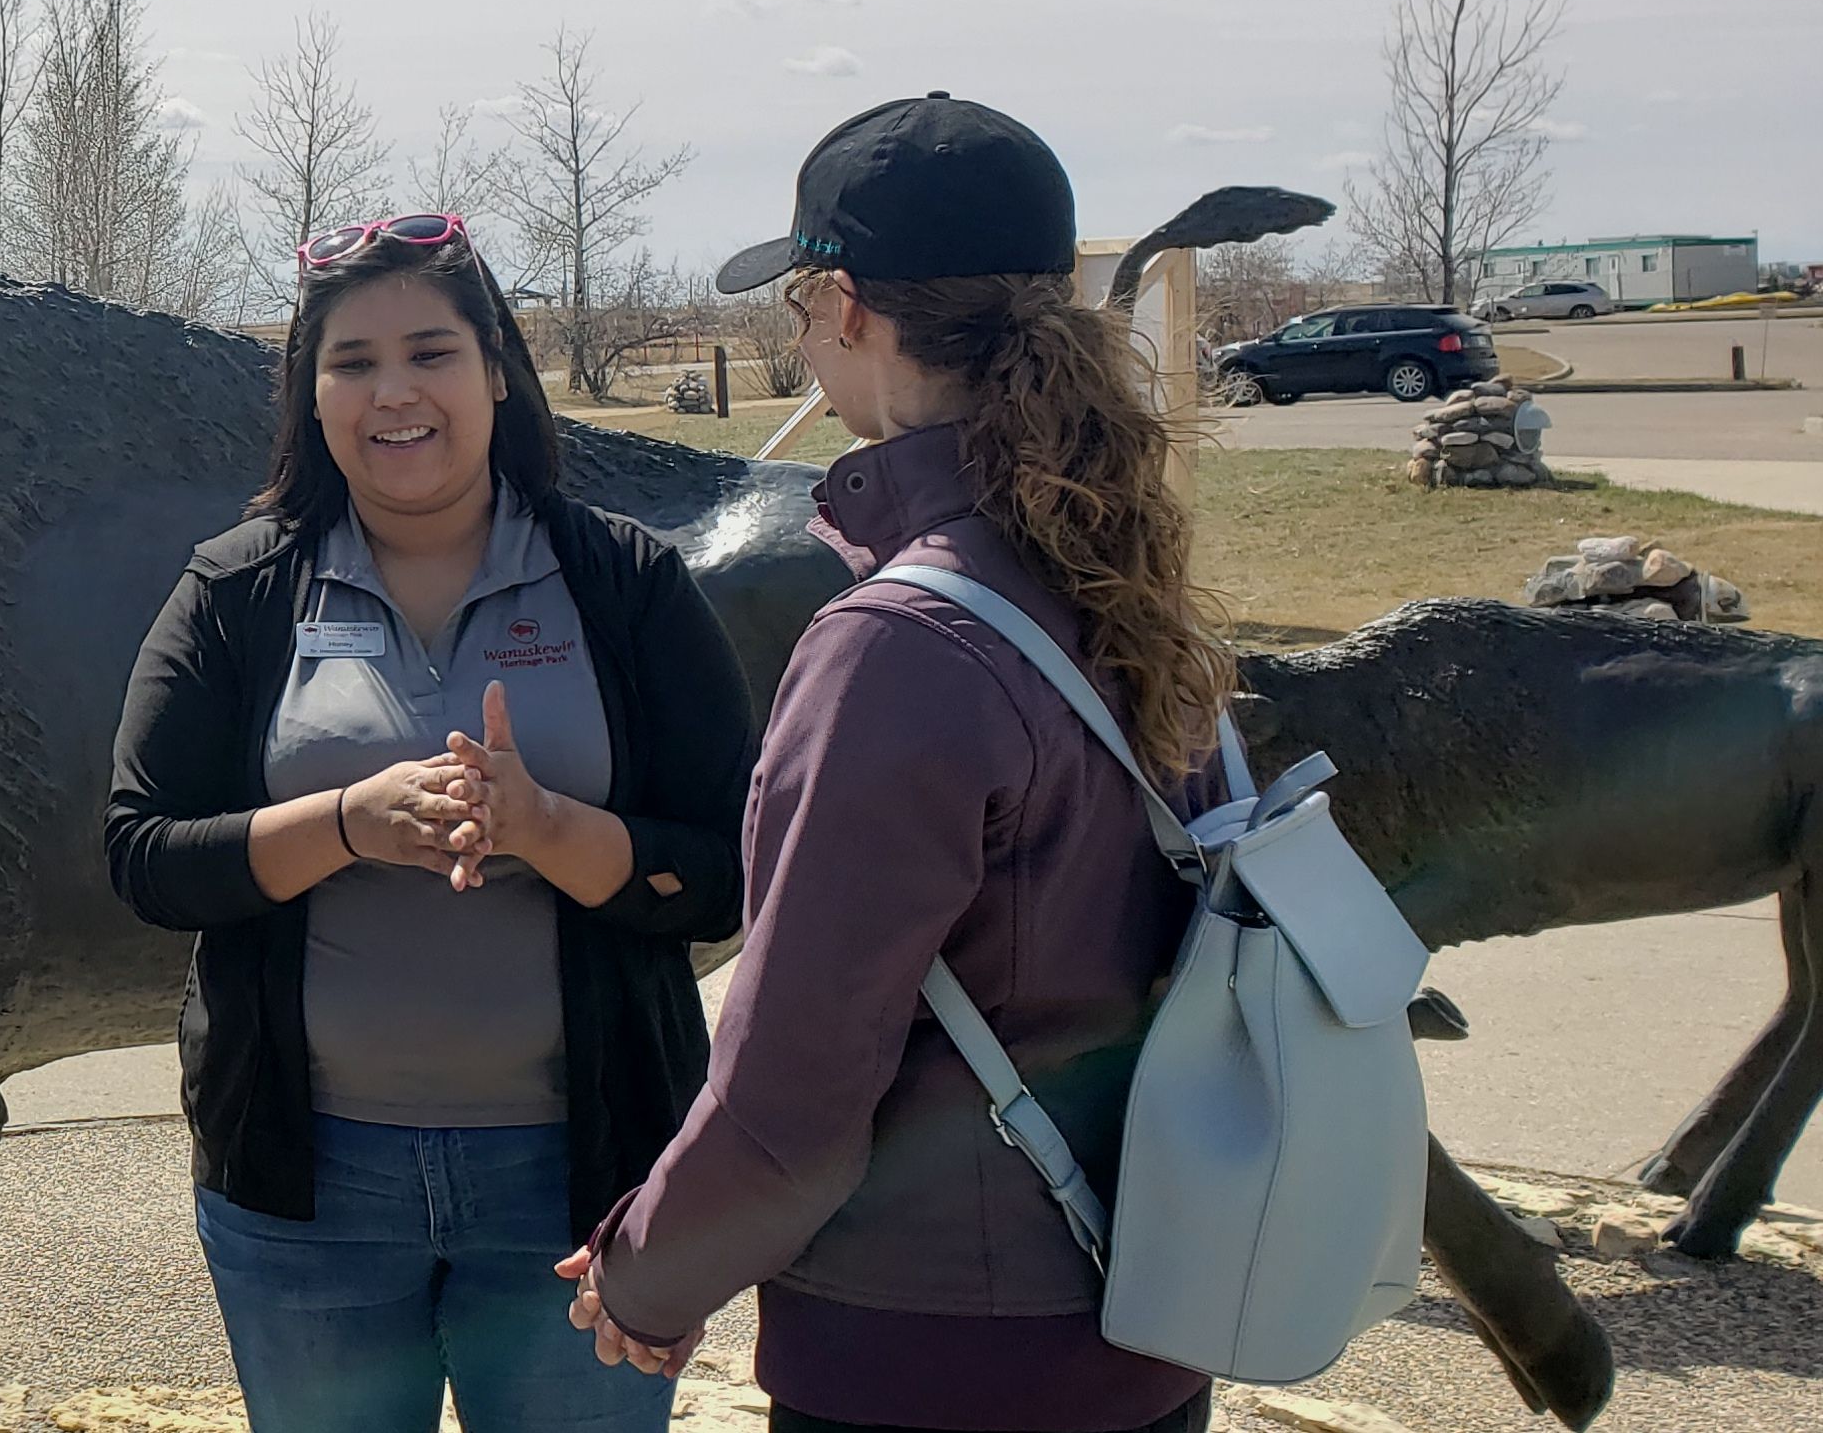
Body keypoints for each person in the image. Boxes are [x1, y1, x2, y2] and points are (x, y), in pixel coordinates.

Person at [567, 96, 1231, 1433]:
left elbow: (793, 1091)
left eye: (800, 310)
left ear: (848, 307)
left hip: (933, 1357)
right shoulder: (1116, 576)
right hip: (1154, 1310)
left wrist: (646, 1273)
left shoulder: (898, 643)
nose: (804, 340)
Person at [104, 218, 759, 1433]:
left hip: (578, 1179)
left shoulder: (624, 583)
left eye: (430, 352)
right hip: (307, 1193)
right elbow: (144, 855)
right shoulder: (237, 591)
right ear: (310, 392)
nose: (393, 392)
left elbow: (732, 872)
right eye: (352, 361)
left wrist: (547, 826)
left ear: (497, 369)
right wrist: (345, 821)